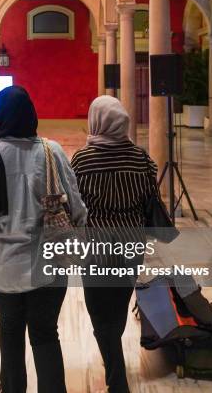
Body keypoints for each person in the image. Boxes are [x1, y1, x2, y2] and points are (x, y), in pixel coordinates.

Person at [0, 86, 87, 393]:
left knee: (10, 331)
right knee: (46, 335)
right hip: (48, 267)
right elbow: (76, 206)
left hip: (2, 270)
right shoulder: (51, 151)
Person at [71, 96, 158, 393]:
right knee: (118, 306)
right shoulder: (142, 158)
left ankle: (116, 377)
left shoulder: (83, 159)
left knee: (98, 310)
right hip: (131, 245)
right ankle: (114, 361)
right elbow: (150, 198)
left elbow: (75, 204)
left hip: (96, 247)